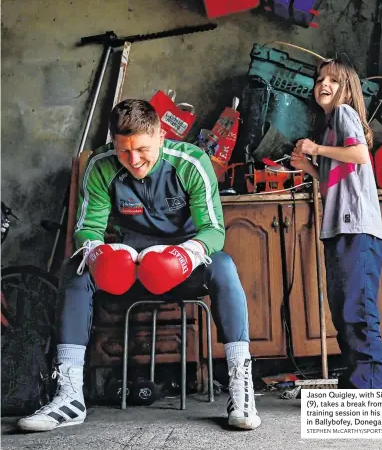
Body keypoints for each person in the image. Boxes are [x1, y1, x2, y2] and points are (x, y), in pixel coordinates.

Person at [17, 99, 261, 432]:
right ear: (113, 143)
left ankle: (240, 390)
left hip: (181, 265)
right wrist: (97, 253)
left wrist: (186, 255)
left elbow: (213, 230)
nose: (134, 161)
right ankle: (69, 396)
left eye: (143, 149)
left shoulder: (191, 162)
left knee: (224, 265)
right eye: (124, 151)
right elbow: (87, 228)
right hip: (126, 265)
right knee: (74, 271)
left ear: (161, 135)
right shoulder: (101, 164)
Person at [290, 59, 382, 389]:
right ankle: (358, 379)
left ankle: (370, 386)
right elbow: (333, 179)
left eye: (333, 79)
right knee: (345, 310)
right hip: (340, 229)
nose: (323, 84)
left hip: (356, 228)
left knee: (357, 310)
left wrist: (315, 148)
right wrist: (309, 166)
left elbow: (360, 155)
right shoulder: (330, 126)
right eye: (319, 79)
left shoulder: (345, 114)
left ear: (347, 89)